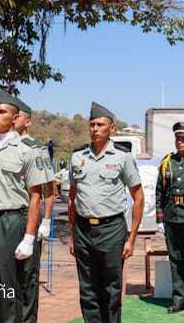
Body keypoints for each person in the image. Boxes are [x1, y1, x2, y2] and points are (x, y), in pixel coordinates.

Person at [0, 91, 49, 322]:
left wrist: (29, 237)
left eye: (2, 112)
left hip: (11, 221)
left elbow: (36, 196)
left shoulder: (28, 150)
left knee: (8, 286)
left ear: (15, 119)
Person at [69, 102, 144, 323]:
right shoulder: (77, 157)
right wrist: (73, 235)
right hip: (83, 229)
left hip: (111, 229)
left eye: (100, 125)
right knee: (88, 288)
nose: (95, 129)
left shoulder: (122, 157)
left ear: (112, 129)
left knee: (111, 288)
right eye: (92, 124)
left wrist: (131, 238)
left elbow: (138, 197)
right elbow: (72, 198)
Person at [12, 96, 56, 323]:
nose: (13, 120)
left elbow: (49, 189)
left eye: (17, 116)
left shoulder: (35, 148)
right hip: (4, 220)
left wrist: (46, 220)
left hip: (27, 218)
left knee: (27, 276)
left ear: (27, 121)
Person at [155, 121, 184, 314]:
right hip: (171, 216)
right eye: (178, 139)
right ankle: (178, 299)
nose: (180, 142)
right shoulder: (167, 161)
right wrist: (160, 218)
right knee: (175, 259)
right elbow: (160, 191)